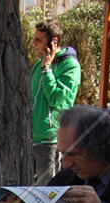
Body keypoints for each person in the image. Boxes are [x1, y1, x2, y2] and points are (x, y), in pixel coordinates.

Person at [30, 19, 81, 185]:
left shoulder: (70, 66)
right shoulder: (38, 66)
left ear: (54, 42)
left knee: (48, 192)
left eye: (38, 40)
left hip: (50, 138)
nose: (33, 43)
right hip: (31, 137)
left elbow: (57, 99)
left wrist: (47, 70)